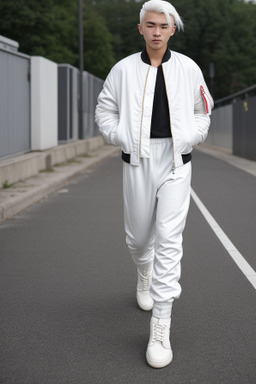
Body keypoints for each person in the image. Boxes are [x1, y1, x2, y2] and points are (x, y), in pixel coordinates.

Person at [95, 0, 213, 369]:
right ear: (141, 29)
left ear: (172, 29)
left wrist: (190, 137)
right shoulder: (123, 70)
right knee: (140, 239)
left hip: (176, 163)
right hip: (138, 161)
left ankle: (160, 324)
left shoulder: (189, 68)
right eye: (151, 25)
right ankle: (142, 270)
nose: (157, 31)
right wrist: (123, 138)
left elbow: (202, 111)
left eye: (163, 25)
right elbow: (104, 110)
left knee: (169, 239)